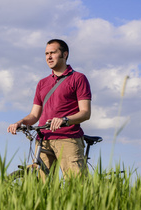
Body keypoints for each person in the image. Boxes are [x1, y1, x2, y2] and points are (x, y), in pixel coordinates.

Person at [7, 39, 92, 177]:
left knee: (77, 185)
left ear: (65, 54)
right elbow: (34, 115)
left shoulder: (78, 78)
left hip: (68, 138)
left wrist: (65, 120)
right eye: (46, 53)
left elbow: (85, 113)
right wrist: (20, 122)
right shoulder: (42, 83)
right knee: (42, 186)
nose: (49, 57)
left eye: (53, 52)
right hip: (43, 140)